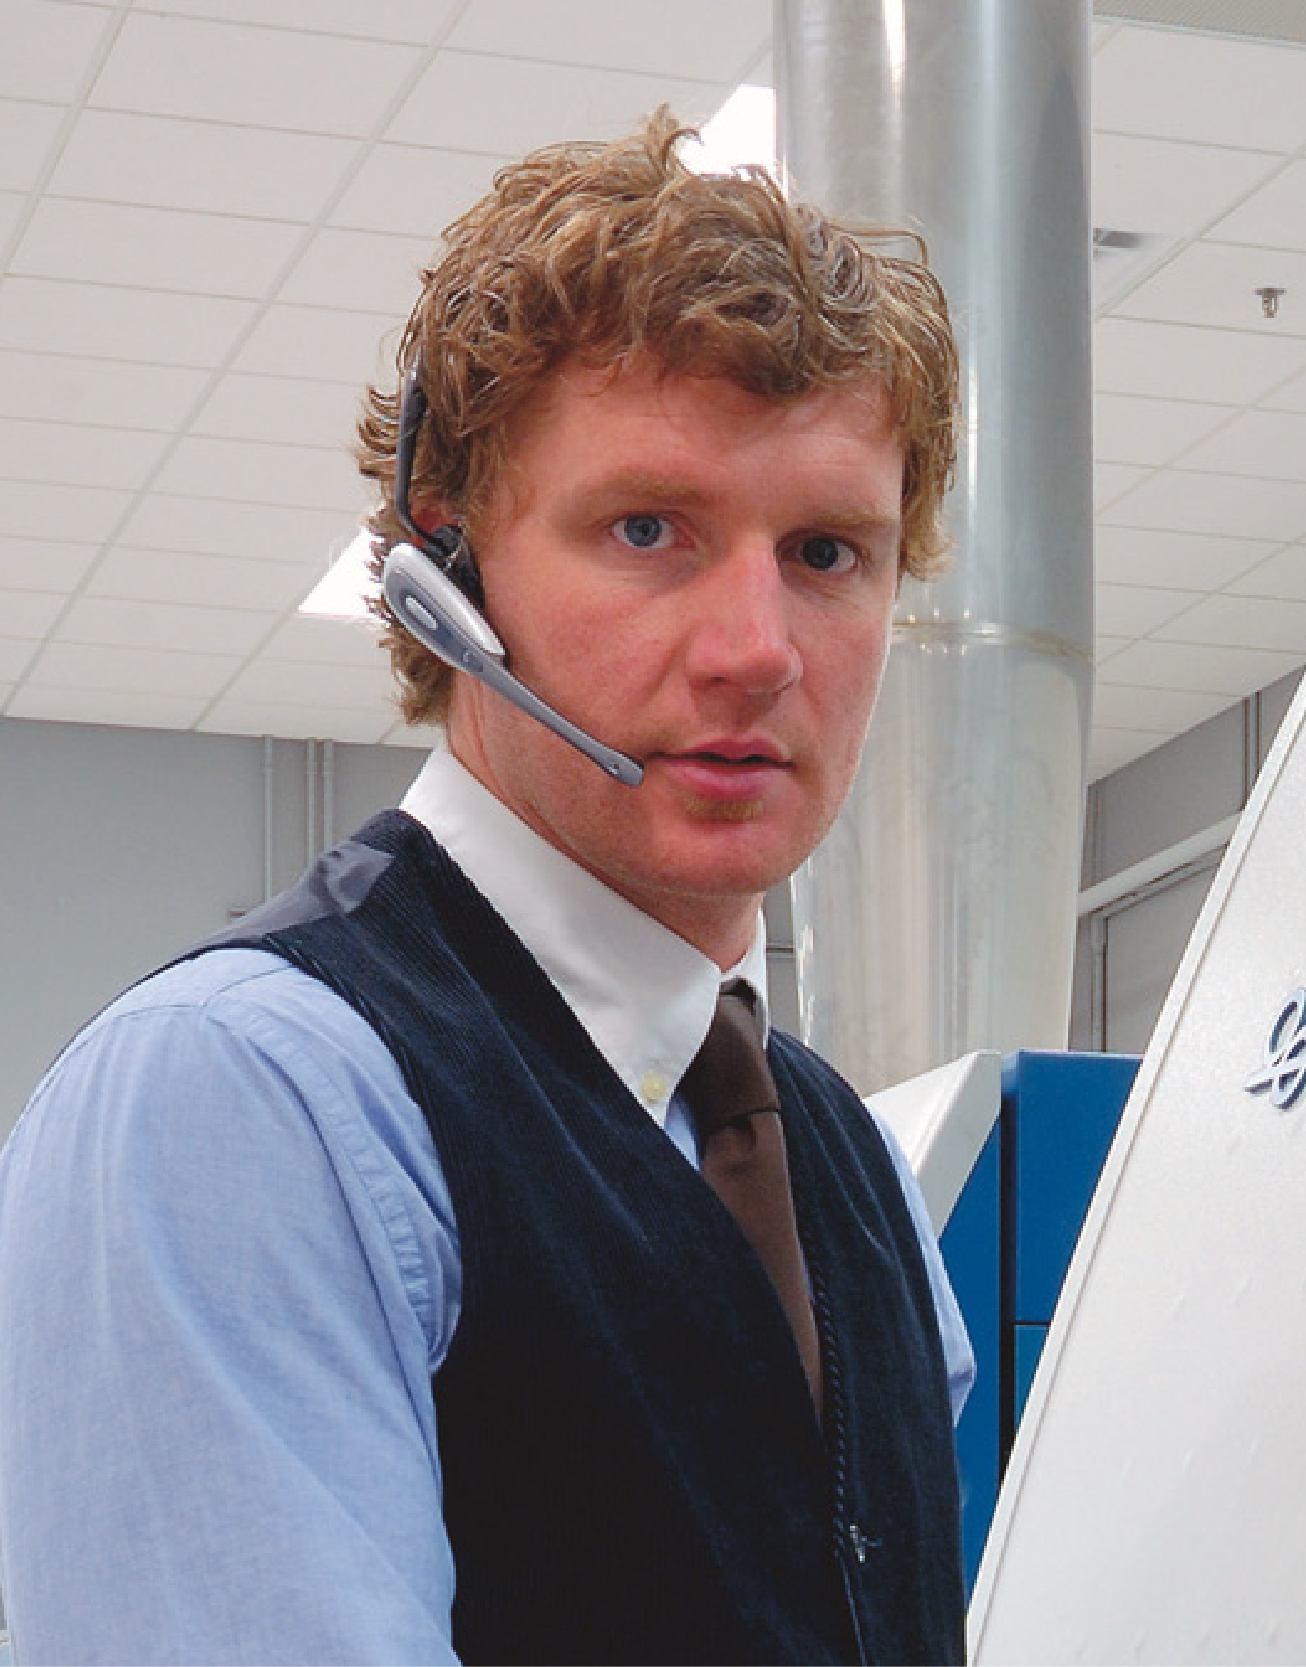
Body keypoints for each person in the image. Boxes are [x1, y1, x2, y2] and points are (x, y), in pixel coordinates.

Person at [0, 111, 972, 1665]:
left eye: (825, 553)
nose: (758, 650)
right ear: (445, 577)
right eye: (648, 530)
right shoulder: (250, 1101)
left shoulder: (851, 1167)